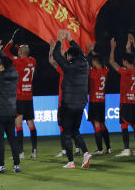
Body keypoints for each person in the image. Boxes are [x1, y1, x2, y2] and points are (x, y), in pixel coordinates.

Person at [51, 30, 92, 169]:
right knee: (75, 131)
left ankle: (71, 162)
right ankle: (85, 153)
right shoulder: (85, 63)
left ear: (69, 56)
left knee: (67, 132)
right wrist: (70, 39)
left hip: (68, 104)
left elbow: (56, 55)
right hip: (80, 104)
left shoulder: (68, 66)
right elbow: (80, 52)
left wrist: (59, 40)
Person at [0, 37, 22, 174]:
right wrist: (1, 52)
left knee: (0, 141)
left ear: (2, 66)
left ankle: (1, 166)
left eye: (0, 64)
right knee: (12, 139)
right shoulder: (15, 74)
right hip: (11, 112)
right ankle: (16, 166)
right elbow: (9, 63)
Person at [2, 38, 39, 158]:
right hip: (29, 97)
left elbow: (5, 51)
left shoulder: (17, 62)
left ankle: (20, 152)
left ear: (20, 53)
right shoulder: (33, 61)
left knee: (18, 123)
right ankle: (34, 151)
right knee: (31, 123)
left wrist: (11, 41)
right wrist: (19, 48)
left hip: (19, 97)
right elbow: (25, 54)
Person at [109, 37, 135, 156]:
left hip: (125, 103)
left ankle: (127, 149)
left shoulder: (124, 72)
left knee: (124, 125)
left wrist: (112, 48)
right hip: (134, 102)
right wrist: (129, 47)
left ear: (124, 61)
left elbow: (112, 62)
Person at [86, 43, 112, 154]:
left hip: (94, 101)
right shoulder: (105, 71)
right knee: (102, 124)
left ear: (96, 62)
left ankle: (100, 149)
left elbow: (83, 63)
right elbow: (102, 62)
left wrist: (88, 51)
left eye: (93, 61)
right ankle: (108, 148)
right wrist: (93, 53)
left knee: (96, 124)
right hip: (102, 101)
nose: (92, 63)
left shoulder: (93, 73)